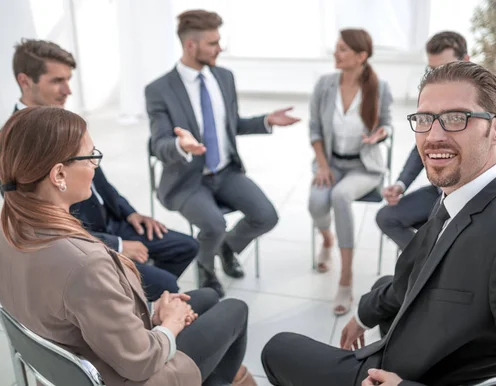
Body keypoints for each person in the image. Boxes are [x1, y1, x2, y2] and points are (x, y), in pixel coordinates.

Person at [261, 61, 496, 385]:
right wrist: (364, 314)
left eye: (456, 118)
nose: (433, 135)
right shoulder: (457, 194)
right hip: (409, 350)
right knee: (385, 283)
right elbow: (413, 271)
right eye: (424, 119)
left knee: (277, 348)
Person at [0, 107, 258, 386]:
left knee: (206, 296)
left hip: (79, 348)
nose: (95, 165)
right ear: (59, 174)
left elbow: (79, 308)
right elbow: (141, 362)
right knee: (235, 309)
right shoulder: (84, 263)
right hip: (128, 376)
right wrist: (169, 324)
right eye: (90, 157)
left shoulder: (11, 226)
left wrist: (148, 309)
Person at [11, 38, 198, 301]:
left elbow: (100, 182)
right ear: (25, 81)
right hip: (80, 243)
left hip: (112, 222)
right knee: (166, 283)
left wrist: (131, 214)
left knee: (186, 246)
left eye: (68, 79)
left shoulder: (63, 121)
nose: (68, 90)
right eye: (57, 81)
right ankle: (128, 302)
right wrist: (117, 247)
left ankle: (134, 302)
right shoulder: (14, 142)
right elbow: (40, 223)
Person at [145, 9, 300, 297]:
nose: (220, 48)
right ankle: (206, 268)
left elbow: (231, 124)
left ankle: (227, 247)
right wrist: (182, 146)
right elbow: (159, 144)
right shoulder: (159, 90)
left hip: (225, 171)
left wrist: (266, 120)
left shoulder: (224, 78)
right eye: (213, 43)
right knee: (214, 224)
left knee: (266, 216)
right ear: (191, 45)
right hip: (186, 179)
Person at [308, 28, 392, 315]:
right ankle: (327, 239)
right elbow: (314, 129)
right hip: (330, 162)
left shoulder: (380, 88)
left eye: (343, 48)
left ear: (361, 56)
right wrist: (322, 164)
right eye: (337, 47)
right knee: (317, 202)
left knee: (340, 196)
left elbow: (387, 125)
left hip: (362, 166)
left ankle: (346, 277)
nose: (336, 52)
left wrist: (379, 134)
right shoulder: (324, 85)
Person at [376, 31, 469, 253]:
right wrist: (400, 185)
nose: (438, 77)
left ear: (465, 61)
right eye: (433, 70)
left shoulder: (479, 105)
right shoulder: (433, 100)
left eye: (446, 68)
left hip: (465, 199)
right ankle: (423, 266)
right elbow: (423, 148)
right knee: (387, 217)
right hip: (439, 192)